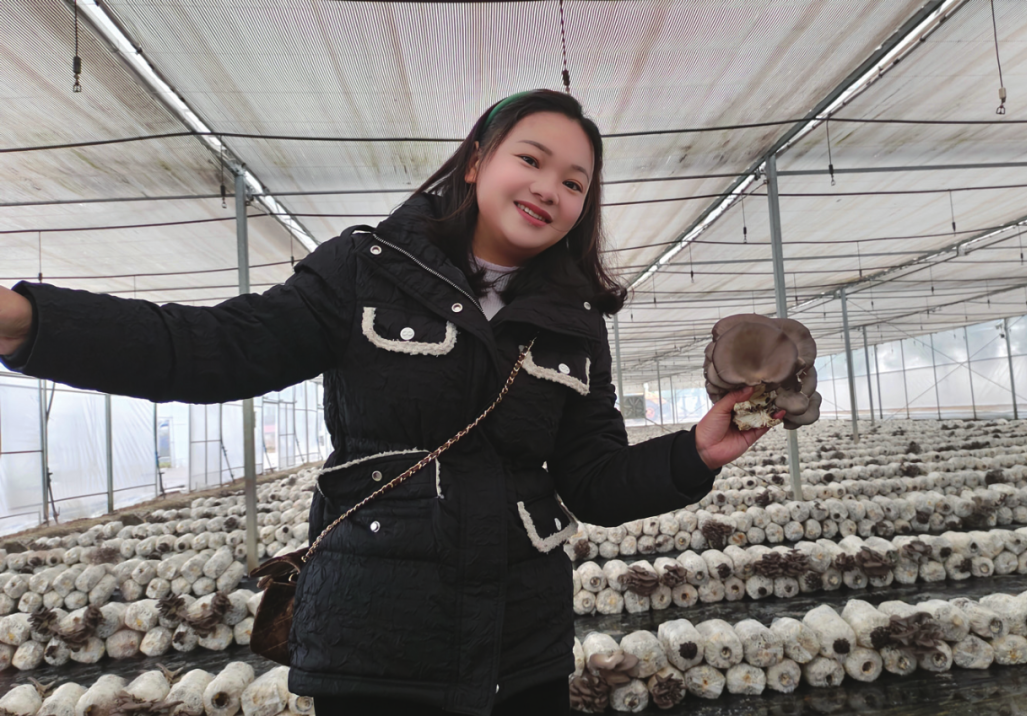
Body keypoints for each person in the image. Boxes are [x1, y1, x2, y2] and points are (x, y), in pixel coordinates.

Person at [0, 89, 780, 716]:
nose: (550, 189)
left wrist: (693, 453)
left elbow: (593, 481)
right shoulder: (365, 269)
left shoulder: (576, 327)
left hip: (521, 650)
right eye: (531, 160)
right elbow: (214, 348)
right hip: (376, 644)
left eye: (575, 183)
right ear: (476, 161)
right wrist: (32, 323)